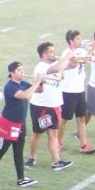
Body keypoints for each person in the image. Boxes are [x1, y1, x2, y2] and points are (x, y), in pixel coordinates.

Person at [0, 62, 41, 187]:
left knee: (18, 152)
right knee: (1, 150)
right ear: (11, 73)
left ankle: (21, 179)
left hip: (20, 124)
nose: (22, 72)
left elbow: (40, 90)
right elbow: (26, 96)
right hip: (8, 124)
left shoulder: (24, 83)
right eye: (19, 70)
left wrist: (42, 82)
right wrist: (37, 82)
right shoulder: (9, 87)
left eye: (22, 69)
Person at [26, 43, 74, 171]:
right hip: (41, 106)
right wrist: (68, 56)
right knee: (37, 133)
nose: (54, 53)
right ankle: (32, 157)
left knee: (53, 133)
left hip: (54, 105)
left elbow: (70, 66)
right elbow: (57, 69)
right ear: (44, 54)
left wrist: (74, 60)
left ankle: (56, 161)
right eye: (51, 51)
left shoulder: (55, 64)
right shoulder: (41, 67)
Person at [58, 30, 95, 155]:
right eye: (78, 39)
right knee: (64, 119)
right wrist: (94, 48)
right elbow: (78, 62)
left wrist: (92, 51)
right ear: (71, 41)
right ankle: (57, 142)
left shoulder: (82, 51)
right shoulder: (67, 53)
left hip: (80, 90)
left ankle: (84, 145)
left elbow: (89, 59)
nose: (80, 41)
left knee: (81, 118)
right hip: (68, 91)